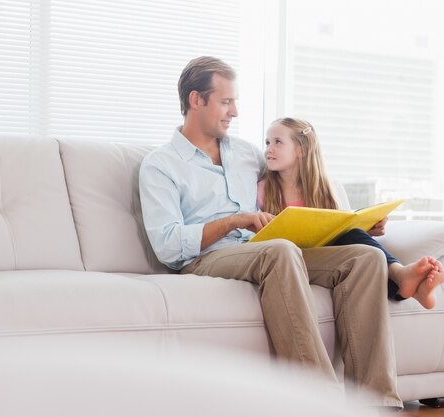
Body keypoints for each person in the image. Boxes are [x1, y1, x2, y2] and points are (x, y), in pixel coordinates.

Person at [139, 56, 403, 409]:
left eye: (235, 102)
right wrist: (235, 221)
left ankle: (374, 401)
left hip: (265, 250)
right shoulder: (161, 164)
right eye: (226, 101)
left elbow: (295, 175)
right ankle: (317, 401)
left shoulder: (247, 154)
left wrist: (353, 225)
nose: (234, 111)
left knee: (366, 258)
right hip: (206, 258)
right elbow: (168, 245)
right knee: (278, 250)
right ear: (196, 100)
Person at [258, 117, 444, 310]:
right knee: (357, 249)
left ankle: (410, 284)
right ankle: (402, 277)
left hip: (327, 253)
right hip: (291, 258)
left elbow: (340, 228)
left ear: (302, 149)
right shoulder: (263, 189)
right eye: (267, 142)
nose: (269, 149)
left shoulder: (326, 188)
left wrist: (369, 229)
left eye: (277, 142)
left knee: (356, 239)